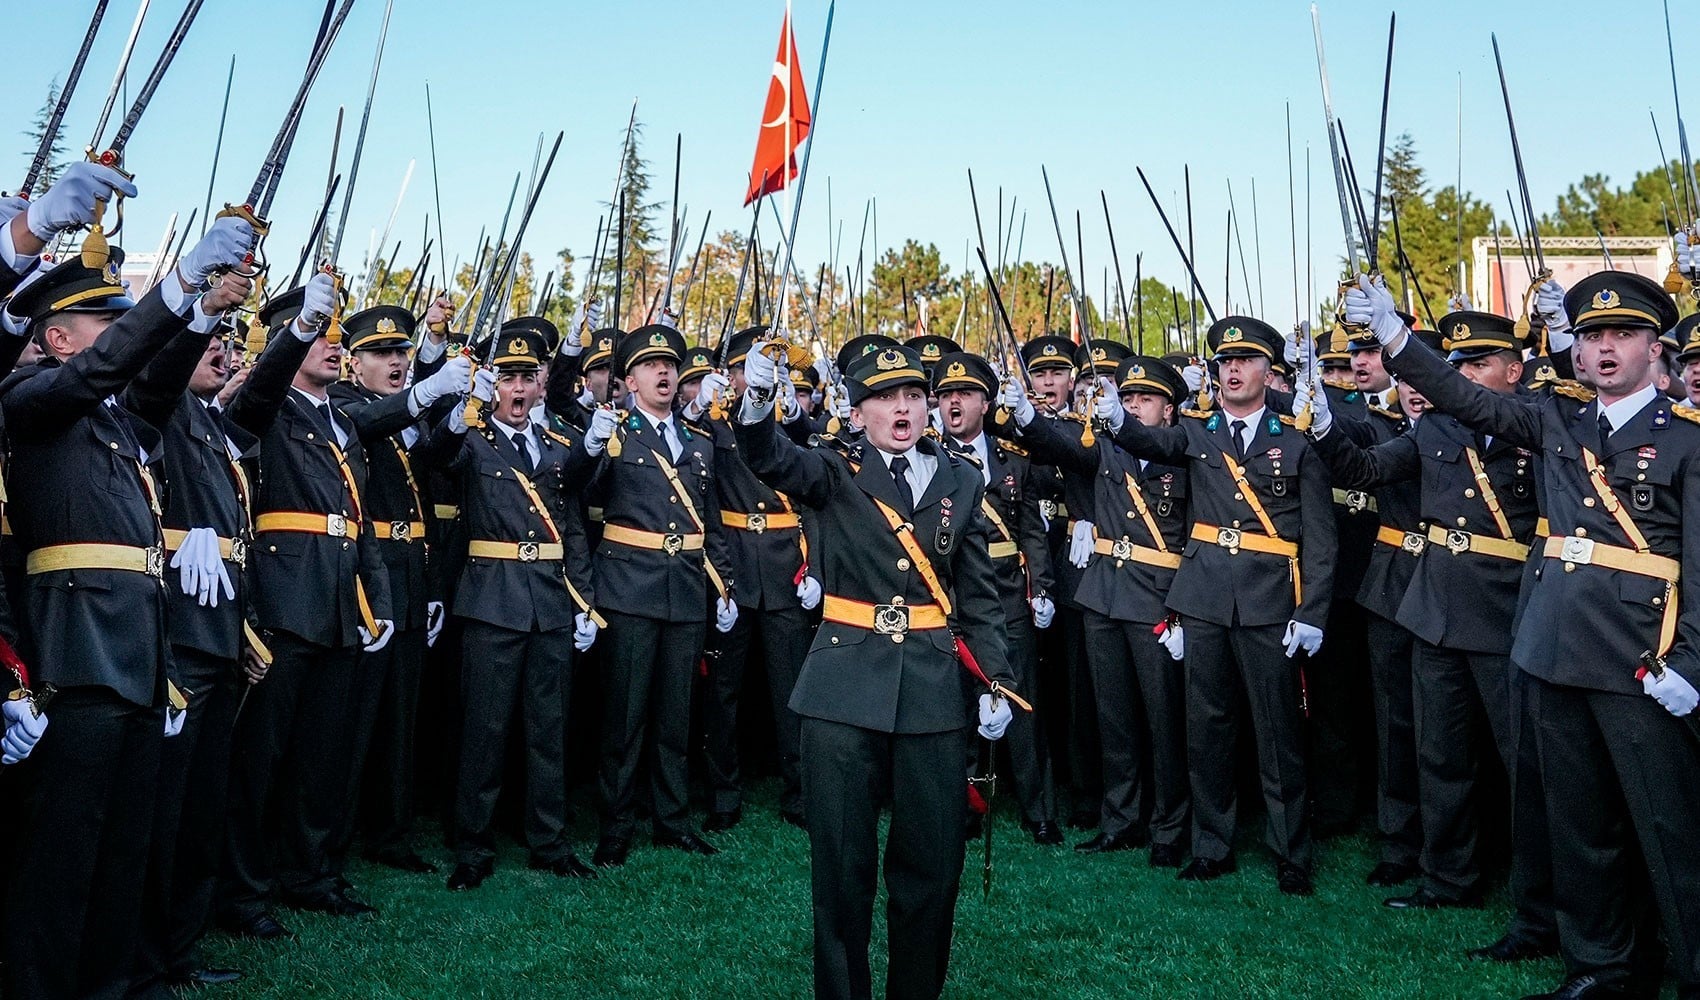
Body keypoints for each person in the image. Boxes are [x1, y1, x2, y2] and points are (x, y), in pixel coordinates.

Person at [1347, 270, 1700, 1000]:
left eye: (1624, 335)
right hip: (1552, 647)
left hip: (1642, 655)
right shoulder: (1556, 421)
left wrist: (1691, 661)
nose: (1606, 350)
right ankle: (1601, 966)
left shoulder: (1686, 439)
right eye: (1593, 338)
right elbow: (1464, 398)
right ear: (1578, 353)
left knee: (1668, 827)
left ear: (1654, 349)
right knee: (1578, 825)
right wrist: (1393, 337)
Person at [1, 214, 255, 1000]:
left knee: (123, 848)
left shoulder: (114, 421)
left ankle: (116, 986)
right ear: (58, 339)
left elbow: (155, 376)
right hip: (78, 652)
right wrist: (177, 285)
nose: (119, 336)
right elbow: (104, 372)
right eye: (102, 325)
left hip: (139, 654)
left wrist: (201, 311)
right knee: (64, 854)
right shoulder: (29, 397)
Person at [734, 340, 1015, 1000]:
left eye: (914, 395)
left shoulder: (961, 480)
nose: (903, 408)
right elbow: (769, 456)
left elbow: (979, 596)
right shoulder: (833, 470)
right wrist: (756, 401)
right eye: (886, 398)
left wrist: (996, 680)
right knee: (841, 871)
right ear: (858, 414)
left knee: (933, 869)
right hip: (842, 688)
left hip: (932, 691)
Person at [1297, 309, 1557, 937]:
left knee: (1523, 763)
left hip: (1507, 609)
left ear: (1514, 371)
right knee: (1439, 753)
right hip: (1435, 609)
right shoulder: (1437, 426)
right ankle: (1447, 876)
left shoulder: (1541, 420)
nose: (1462, 376)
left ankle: (1540, 899)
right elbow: (1366, 470)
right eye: (1457, 365)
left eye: (1478, 364)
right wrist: (1326, 426)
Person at [1098, 317, 1337, 895]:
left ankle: (1291, 853)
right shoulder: (1196, 432)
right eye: (1225, 362)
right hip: (1203, 599)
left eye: (1246, 360)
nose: (1233, 370)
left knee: (1278, 733)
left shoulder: (1296, 438)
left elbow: (1320, 539)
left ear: (1268, 371)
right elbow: (1151, 442)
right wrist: (1117, 419)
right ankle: (1211, 845)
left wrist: (1312, 612)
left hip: (1269, 601)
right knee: (1206, 729)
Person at [218, 272, 395, 936]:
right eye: (318, 332)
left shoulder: (341, 421)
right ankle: (244, 892)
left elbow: (359, 521)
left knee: (322, 755)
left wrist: (377, 600)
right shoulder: (265, 406)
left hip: (341, 603)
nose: (332, 343)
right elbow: (256, 396)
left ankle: (310, 873)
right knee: (261, 759)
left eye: (333, 333)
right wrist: (289, 340)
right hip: (284, 600)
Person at [415, 322, 600, 889]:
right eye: (507, 379)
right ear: (492, 385)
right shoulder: (471, 438)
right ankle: (472, 847)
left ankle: (550, 841)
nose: (517, 390)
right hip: (491, 601)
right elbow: (434, 455)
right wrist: (458, 409)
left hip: (549, 602)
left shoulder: (561, 447)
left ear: (541, 384)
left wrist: (584, 602)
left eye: (526, 378)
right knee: (484, 730)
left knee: (549, 729)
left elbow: (572, 531)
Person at [1004, 354, 1190, 861]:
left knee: (1164, 719)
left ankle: (1170, 826)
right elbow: (1060, 445)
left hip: (1157, 596)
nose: (1133, 406)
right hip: (1104, 594)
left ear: (1169, 410)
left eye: (1145, 399)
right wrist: (1026, 414)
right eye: (1127, 398)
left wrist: (1182, 606)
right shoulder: (1104, 448)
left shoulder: (1183, 452)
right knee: (1113, 717)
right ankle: (1120, 819)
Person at [568, 325, 737, 867]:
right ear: (630, 381)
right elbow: (577, 489)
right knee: (625, 716)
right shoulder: (614, 431)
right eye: (650, 365)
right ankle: (616, 825)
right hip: (628, 588)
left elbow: (710, 522)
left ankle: (672, 819)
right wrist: (592, 445)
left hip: (684, 589)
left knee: (675, 715)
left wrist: (724, 585)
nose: (663, 372)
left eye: (670, 365)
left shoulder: (698, 442)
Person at [329, 306, 471, 877]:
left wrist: (454, 417)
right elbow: (367, 424)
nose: (395, 361)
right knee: (357, 718)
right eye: (381, 353)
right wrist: (425, 392)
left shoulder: (407, 417)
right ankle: (337, 837)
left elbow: (429, 477)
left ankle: (392, 832)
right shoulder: (344, 403)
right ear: (354, 363)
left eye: (401, 353)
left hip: (412, 573)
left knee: (400, 719)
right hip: (371, 576)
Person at [686, 326, 814, 831]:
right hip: (733, 564)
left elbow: (817, 461)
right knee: (723, 690)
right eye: (744, 369)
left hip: (785, 566)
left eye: (768, 368)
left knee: (792, 688)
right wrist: (697, 406)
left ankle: (800, 791)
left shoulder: (793, 419)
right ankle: (723, 793)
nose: (754, 378)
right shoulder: (714, 422)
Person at [933, 351, 1059, 845]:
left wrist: (1041, 588)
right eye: (946, 395)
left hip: (1007, 593)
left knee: (1023, 702)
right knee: (958, 706)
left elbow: (1031, 533)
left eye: (964, 394)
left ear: (985, 403)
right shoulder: (927, 458)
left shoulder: (1013, 461)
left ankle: (1039, 809)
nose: (954, 403)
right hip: (952, 596)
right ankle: (962, 805)